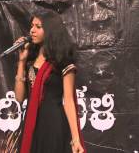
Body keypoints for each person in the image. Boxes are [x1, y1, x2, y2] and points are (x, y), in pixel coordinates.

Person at [13, 9, 87, 153]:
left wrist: (76, 138)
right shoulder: (30, 60)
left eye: (38, 27)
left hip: (54, 125)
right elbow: (19, 97)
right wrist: (21, 62)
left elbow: (69, 101)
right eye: (32, 26)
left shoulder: (62, 62)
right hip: (32, 123)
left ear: (50, 31)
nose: (32, 30)